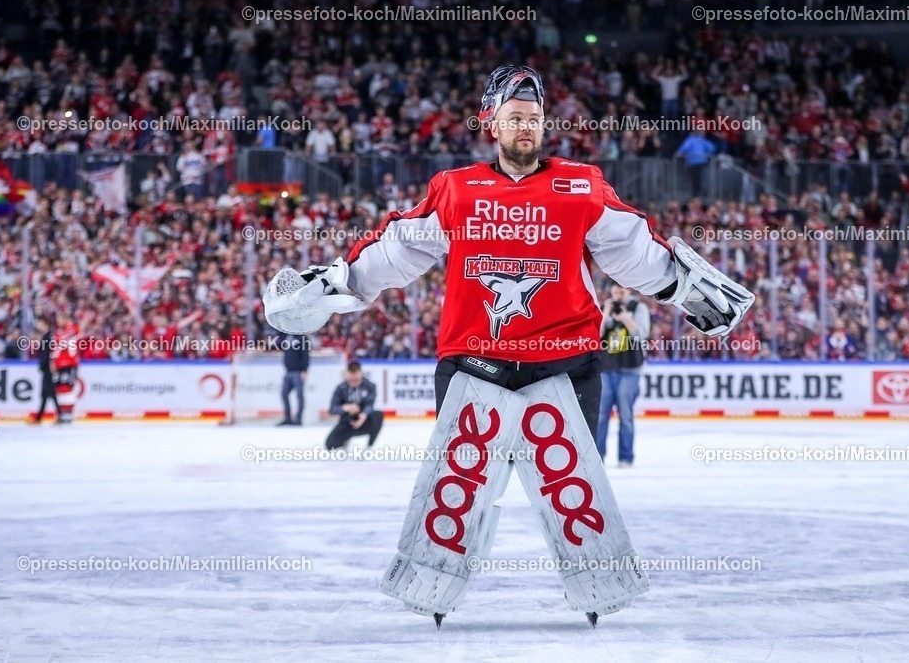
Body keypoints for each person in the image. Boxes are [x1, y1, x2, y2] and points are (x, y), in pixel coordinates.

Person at [263, 64, 753, 624]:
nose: (526, 127)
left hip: (565, 364)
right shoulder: (454, 190)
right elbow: (393, 251)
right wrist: (328, 287)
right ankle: (432, 595)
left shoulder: (582, 186)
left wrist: (691, 290)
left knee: (574, 486)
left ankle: (597, 594)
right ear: (490, 123)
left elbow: (637, 252)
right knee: (458, 487)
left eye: (535, 118)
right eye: (515, 117)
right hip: (474, 362)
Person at [596, 285, 650, 467]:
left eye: (622, 291)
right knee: (601, 415)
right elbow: (596, 333)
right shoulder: (606, 306)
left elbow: (641, 334)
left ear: (629, 290)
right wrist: (605, 313)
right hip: (606, 368)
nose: (619, 295)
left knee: (626, 415)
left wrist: (626, 319)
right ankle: (598, 456)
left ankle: (626, 457)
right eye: (616, 291)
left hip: (630, 368)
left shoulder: (638, 307)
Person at [324, 361, 384, 449]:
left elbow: (370, 404)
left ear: (361, 374)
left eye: (356, 380)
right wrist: (345, 408)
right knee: (329, 445)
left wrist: (363, 415)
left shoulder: (370, 386)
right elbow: (332, 409)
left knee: (378, 415)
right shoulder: (341, 388)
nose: (353, 383)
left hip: (364, 420)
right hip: (347, 423)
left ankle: (369, 446)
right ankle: (345, 440)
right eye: (350, 380)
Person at [31, 317, 60, 425]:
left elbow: (49, 353)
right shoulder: (45, 337)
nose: (38, 325)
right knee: (45, 393)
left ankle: (60, 414)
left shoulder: (49, 337)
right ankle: (40, 416)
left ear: (45, 324)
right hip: (45, 367)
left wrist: (47, 365)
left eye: (40, 323)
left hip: (48, 368)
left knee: (50, 392)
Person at [278, 333, 309, 426]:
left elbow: (305, 354)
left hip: (298, 371)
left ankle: (298, 418)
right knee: (284, 394)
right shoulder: (287, 336)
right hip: (288, 371)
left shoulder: (302, 337)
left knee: (299, 395)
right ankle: (287, 417)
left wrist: (304, 370)